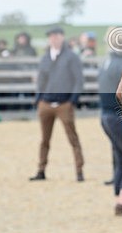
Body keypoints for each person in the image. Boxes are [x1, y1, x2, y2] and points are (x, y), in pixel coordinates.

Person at [29, 26, 85, 182]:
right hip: (46, 102)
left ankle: (79, 170)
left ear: (62, 37)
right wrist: (38, 98)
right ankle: (41, 169)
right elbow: (41, 79)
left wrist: (72, 100)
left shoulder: (71, 57)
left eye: (56, 35)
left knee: (72, 138)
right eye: (51, 36)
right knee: (44, 139)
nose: (53, 38)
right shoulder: (46, 57)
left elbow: (78, 80)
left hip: (64, 103)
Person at [97, 49, 122, 216]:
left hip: (105, 115)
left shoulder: (106, 62)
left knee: (121, 159)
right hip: (116, 115)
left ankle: (119, 198)